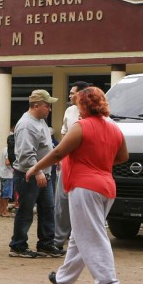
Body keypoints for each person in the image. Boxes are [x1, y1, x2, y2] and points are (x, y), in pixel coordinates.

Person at [25, 86, 129, 284]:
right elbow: (123, 157)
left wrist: (34, 168)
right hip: (106, 187)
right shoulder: (114, 127)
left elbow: (58, 153)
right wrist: (101, 161)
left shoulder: (82, 126)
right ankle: (64, 278)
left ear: (84, 105)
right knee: (79, 235)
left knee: (92, 235)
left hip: (85, 187)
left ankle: (108, 281)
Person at [8, 89, 64, 258]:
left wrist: (54, 158)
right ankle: (17, 246)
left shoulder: (40, 122)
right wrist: (38, 171)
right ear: (36, 105)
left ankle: (46, 244)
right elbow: (26, 154)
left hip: (42, 173)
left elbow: (45, 146)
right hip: (29, 175)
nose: (50, 108)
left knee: (48, 209)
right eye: (47, 105)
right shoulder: (27, 125)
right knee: (25, 211)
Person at [54, 81, 91, 252]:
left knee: (82, 201)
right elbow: (63, 131)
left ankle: (79, 240)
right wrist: (62, 154)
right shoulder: (69, 111)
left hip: (85, 163)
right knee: (61, 200)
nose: (69, 96)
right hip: (67, 161)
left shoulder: (92, 110)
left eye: (72, 93)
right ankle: (59, 238)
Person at [0, 129, 14, 217]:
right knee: (6, 195)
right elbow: (7, 162)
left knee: (2, 193)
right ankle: (4, 211)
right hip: (8, 174)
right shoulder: (9, 150)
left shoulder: (4, 149)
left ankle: (0, 211)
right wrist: (15, 167)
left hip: (2, 173)